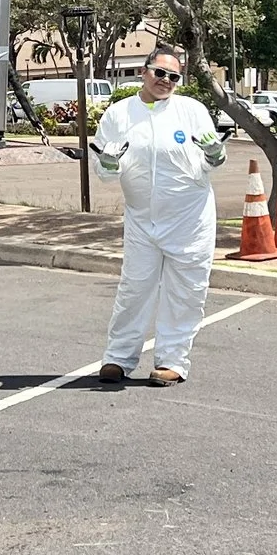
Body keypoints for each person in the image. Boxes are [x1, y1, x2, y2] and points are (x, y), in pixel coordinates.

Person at [92, 43, 229, 385]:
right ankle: (118, 358)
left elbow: (211, 162)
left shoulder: (192, 111)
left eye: (174, 76)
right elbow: (104, 171)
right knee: (134, 289)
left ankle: (173, 361)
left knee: (186, 292)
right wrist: (107, 163)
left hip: (189, 220)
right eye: (160, 72)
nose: (165, 80)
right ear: (144, 72)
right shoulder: (119, 115)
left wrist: (216, 154)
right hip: (142, 220)